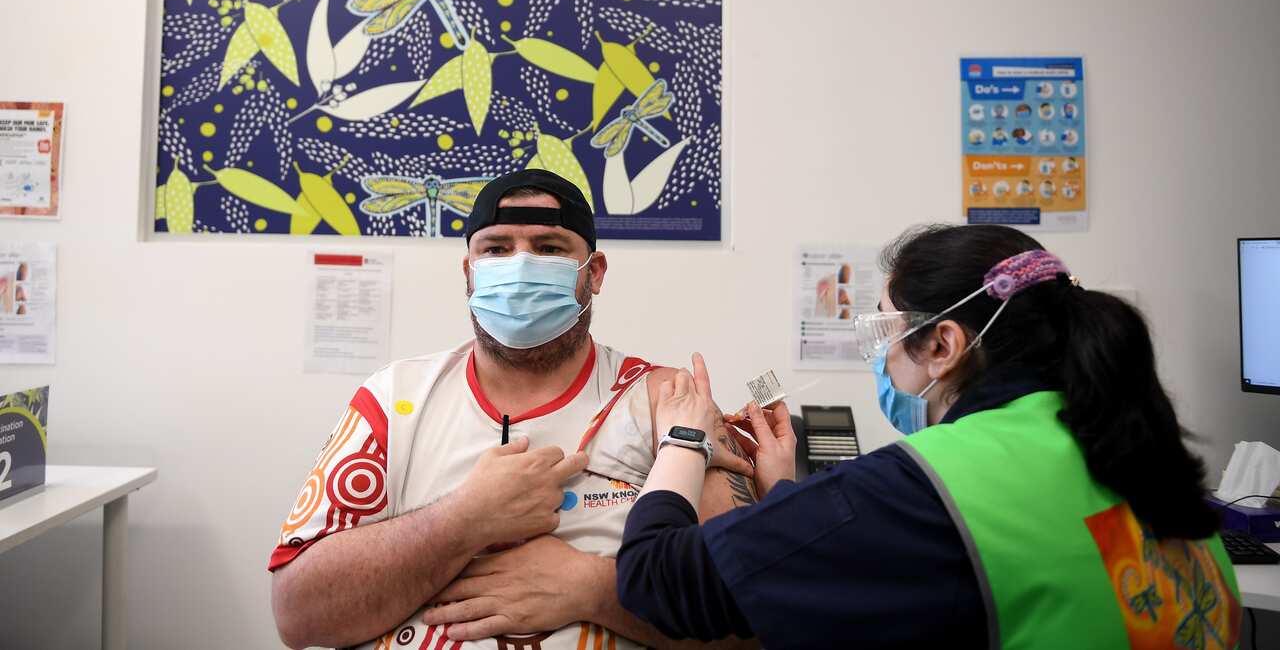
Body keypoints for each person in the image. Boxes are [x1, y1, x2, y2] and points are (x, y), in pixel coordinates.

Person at [616, 224, 1242, 649]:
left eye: (883, 333)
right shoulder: (1138, 451)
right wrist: (784, 491)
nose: (878, 358)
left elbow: (655, 578)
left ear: (943, 345)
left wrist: (683, 438)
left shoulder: (934, 484)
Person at [269, 170, 757, 650]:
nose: (521, 266)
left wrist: (593, 589)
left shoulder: (667, 402)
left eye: (549, 248)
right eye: (497, 249)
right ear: (469, 271)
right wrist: (464, 519)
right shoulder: (395, 400)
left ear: (595, 272)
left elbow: (755, 620)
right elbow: (298, 614)